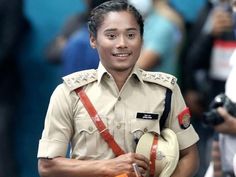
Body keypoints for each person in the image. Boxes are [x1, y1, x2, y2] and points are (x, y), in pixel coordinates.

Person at [37, 1, 199, 177]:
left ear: (142, 39)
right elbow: (47, 166)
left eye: (131, 35)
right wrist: (108, 167)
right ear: (93, 40)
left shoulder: (165, 91)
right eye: (111, 36)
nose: (122, 43)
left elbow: (189, 156)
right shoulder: (69, 93)